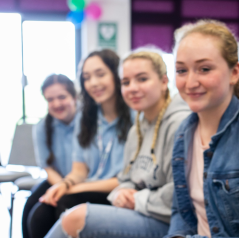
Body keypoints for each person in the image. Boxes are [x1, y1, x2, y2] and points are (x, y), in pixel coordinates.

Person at [44, 48, 191, 238]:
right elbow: (126, 179)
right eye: (126, 82)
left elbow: (180, 196)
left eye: (142, 79)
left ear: (164, 82)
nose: (133, 88)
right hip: (140, 208)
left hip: (172, 222)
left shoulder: (178, 124)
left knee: (74, 217)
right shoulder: (137, 128)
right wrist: (120, 194)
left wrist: (135, 199)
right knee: (42, 212)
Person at [166, 20, 239, 238]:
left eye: (204, 69)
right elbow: (180, 213)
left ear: (234, 73)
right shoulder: (184, 132)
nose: (191, 82)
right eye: (181, 70)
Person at [27, 49, 132, 238]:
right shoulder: (87, 118)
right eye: (87, 77)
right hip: (82, 183)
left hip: (117, 190)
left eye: (100, 74)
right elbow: (78, 170)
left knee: (65, 202)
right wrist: (65, 184)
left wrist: (71, 187)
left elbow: (128, 178)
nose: (93, 83)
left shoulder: (134, 116)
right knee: (39, 213)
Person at [22, 74, 78, 238]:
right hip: (57, 179)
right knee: (31, 205)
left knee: (48, 212)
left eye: (62, 97)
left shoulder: (87, 122)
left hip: (84, 181)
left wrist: (66, 187)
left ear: (74, 97)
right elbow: (48, 168)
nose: (56, 104)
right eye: (50, 99)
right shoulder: (42, 127)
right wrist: (61, 186)